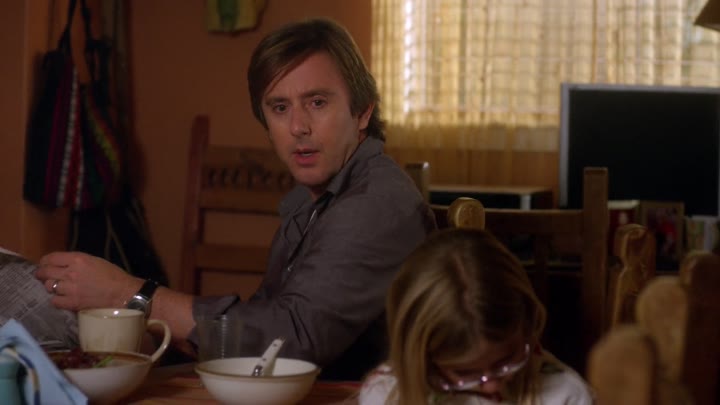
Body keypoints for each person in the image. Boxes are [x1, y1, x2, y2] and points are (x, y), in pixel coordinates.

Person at [34, 18, 436, 380]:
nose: (298, 126)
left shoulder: (374, 205)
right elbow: (257, 332)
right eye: (280, 107)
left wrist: (130, 295)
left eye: (317, 102)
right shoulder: (312, 201)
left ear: (362, 112)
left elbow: (290, 341)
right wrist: (145, 338)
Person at [359, 228, 593, 404]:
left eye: (506, 361)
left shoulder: (565, 395)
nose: (491, 387)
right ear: (422, 358)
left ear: (527, 325)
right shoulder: (385, 395)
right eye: (464, 373)